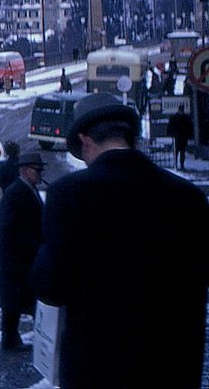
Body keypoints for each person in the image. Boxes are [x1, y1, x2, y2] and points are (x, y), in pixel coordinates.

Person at [31, 92, 209, 389]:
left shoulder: (69, 195)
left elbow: (51, 286)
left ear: (86, 142)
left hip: (98, 368)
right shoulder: (189, 198)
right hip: (173, 367)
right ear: (131, 138)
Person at [0, 151, 45, 351]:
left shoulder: (28, 189)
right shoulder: (16, 192)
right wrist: (34, 245)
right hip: (16, 259)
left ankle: (13, 338)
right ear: (24, 171)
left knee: (18, 300)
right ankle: (10, 339)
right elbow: (11, 227)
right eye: (37, 170)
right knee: (14, 301)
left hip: (23, 259)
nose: (40, 174)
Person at [169, 104, 193, 171]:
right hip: (178, 137)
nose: (181, 112)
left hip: (182, 137)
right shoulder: (176, 118)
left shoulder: (179, 118)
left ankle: (181, 165)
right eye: (181, 110)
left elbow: (190, 127)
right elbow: (170, 127)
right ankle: (176, 165)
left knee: (182, 152)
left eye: (182, 110)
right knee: (176, 152)